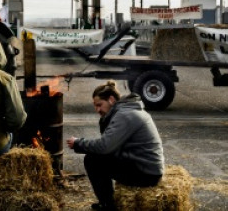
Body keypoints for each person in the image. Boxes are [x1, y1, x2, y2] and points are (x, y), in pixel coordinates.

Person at [66, 80, 164, 211]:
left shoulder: (124, 115)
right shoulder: (125, 111)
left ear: (111, 99)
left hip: (146, 173)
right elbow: (110, 145)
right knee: (99, 157)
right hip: (145, 167)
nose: (97, 110)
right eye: (95, 106)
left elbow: (105, 146)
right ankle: (109, 202)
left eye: (99, 105)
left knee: (93, 160)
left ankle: (108, 206)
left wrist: (78, 143)